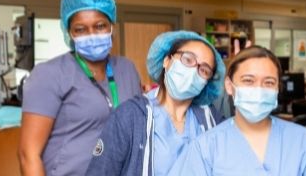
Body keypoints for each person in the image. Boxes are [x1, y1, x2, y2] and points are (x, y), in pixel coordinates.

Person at [18, 0, 143, 176]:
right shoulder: (49, 74)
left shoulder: (127, 69)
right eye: (80, 29)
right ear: (69, 33)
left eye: (100, 26)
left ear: (112, 26)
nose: (92, 34)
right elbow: (28, 154)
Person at [167, 46, 306, 176]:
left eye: (269, 82)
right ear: (229, 85)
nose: (259, 89)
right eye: (248, 81)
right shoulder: (206, 147)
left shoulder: (305, 143)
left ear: (277, 88)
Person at [86, 31, 226, 176]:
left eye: (204, 70)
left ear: (207, 82)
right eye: (188, 60)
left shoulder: (210, 119)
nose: (192, 72)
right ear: (167, 60)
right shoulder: (130, 117)